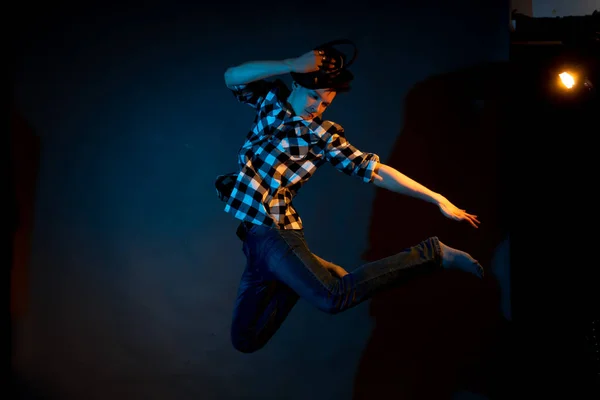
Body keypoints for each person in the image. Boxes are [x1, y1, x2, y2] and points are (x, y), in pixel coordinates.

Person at [215, 45, 484, 354]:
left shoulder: (322, 137)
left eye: (326, 103)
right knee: (245, 339)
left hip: (275, 231)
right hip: (253, 241)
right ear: (297, 84)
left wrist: (436, 197)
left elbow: (377, 171)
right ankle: (308, 270)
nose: (318, 107)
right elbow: (232, 77)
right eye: (314, 97)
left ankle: (433, 254)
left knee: (333, 297)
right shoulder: (270, 103)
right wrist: (292, 62)